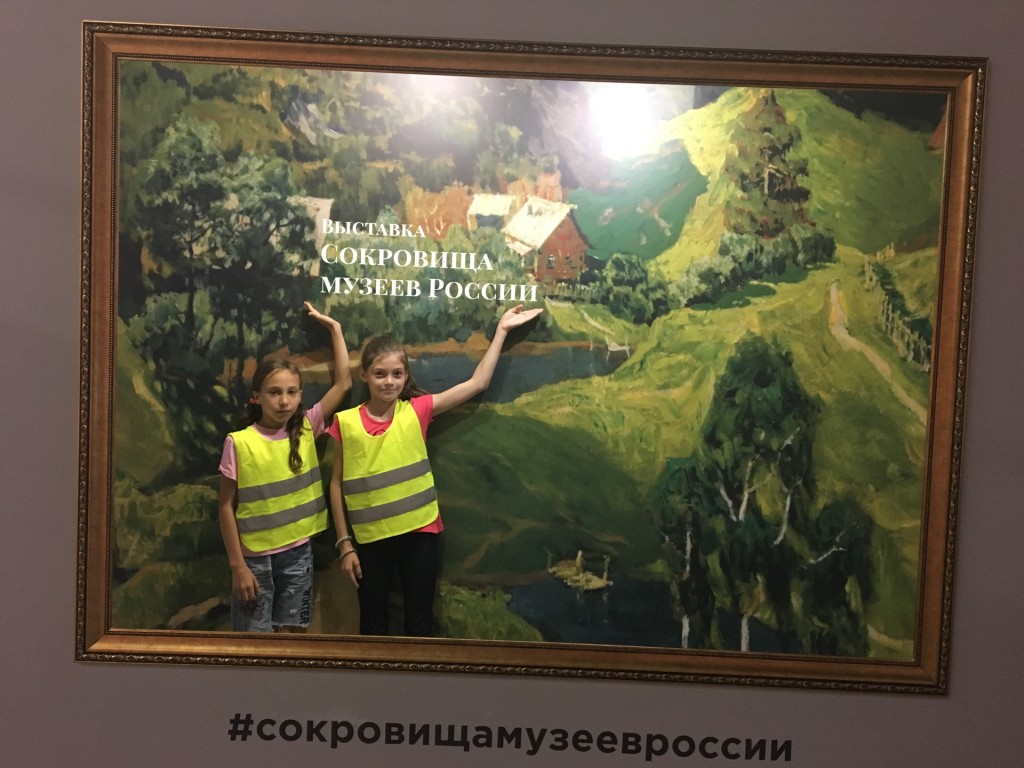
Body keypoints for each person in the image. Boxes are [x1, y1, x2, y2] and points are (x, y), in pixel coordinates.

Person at [328, 303, 543, 636]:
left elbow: (478, 383)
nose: (389, 382)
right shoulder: (346, 422)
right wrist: (344, 544)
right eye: (380, 374)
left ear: (406, 377)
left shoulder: (418, 410)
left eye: (397, 374)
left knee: (419, 623)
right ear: (364, 375)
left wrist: (501, 331)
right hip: (370, 540)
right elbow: (337, 485)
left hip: (420, 534)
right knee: (372, 623)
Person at [218, 301, 352, 633]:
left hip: (298, 553)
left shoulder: (306, 426)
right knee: (253, 639)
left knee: (291, 635)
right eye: (274, 392)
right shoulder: (239, 442)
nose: (284, 401)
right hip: (254, 559)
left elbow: (343, 384)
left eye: (292, 392)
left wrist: (335, 329)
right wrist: (237, 566)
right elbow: (225, 507)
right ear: (257, 397)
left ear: (300, 395)